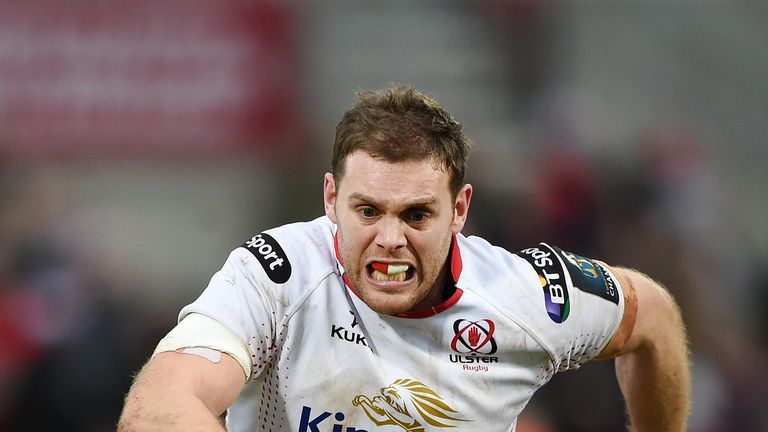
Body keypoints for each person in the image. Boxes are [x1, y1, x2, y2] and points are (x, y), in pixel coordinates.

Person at [118, 86, 690, 432]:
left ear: (460, 209)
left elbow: (655, 317)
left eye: (416, 215)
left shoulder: (528, 299)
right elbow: (160, 406)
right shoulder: (276, 276)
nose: (390, 238)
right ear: (330, 200)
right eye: (367, 211)